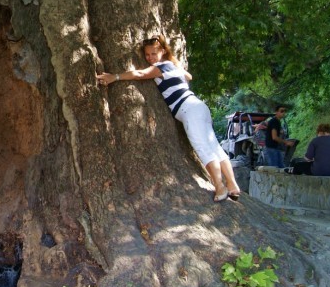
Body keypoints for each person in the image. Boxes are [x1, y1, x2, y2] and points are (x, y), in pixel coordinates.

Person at [96, 35, 242, 202]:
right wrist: (175, 64)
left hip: (188, 108)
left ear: (163, 52)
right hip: (199, 106)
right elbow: (189, 76)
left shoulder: (161, 67)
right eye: (147, 55)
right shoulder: (172, 65)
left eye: (153, 54)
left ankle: (220, 187)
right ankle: (232, 185)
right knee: (214, 146)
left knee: (203, 148)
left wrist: (114, 77)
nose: (150, 58)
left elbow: (139, 73)